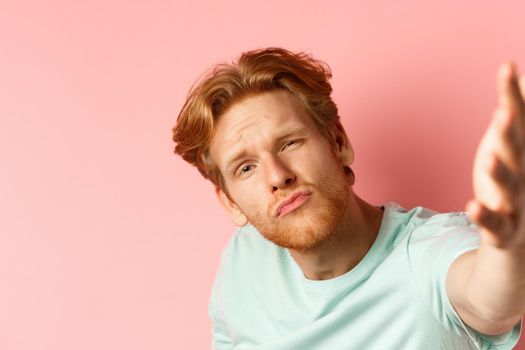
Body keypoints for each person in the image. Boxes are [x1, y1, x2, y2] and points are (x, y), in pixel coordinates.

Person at [172, 47, 524, 349]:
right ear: (230, 203)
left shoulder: (426, 254)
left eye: (290, 143)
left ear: (338, 143)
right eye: (246, 168)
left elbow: (490, 301)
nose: (278, 176)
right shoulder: (242, 262)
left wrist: (511, 246)